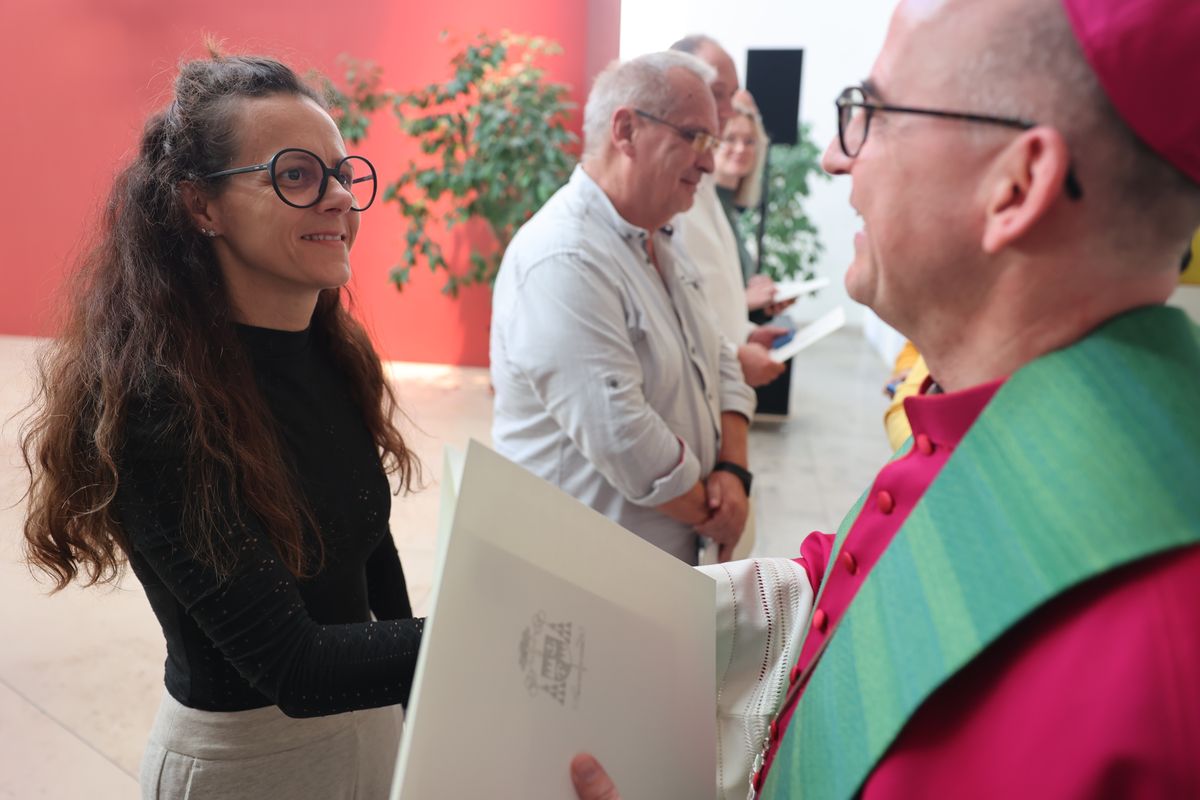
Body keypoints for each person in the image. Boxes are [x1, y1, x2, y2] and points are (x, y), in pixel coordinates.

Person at [572, 0, 1200, 796]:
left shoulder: (1157, 671)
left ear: (1017, 185)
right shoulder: (994, 417)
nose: (835, 158)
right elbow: (875, 578)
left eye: (868, 114)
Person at [21, 50, 426, 799]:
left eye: (343, 173)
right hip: (249, 768)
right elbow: (294, 669)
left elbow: (374, 562)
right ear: (200, 206)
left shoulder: (333, 351)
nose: (340, 198)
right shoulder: (159, 404)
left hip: (374, 735)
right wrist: (485, 636)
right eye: (297, 174)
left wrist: (420, 724)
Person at [490, 51, 757, 565]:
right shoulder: (564, 256)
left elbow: (720, 357)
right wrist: (720, 509)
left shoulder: (660, 237)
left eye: (712, 142)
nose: (708, 160)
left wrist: (734, 472)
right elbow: (625, 442)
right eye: (694, 137)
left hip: (649, 562)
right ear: (626, 130)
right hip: (583, 572)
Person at [670, 35, 791, 388]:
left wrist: (747, 334)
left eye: (732, 94)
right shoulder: (670, 193)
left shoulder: (706, 189)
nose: (726, 110)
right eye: (718, 92)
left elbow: (711, 294)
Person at [713, 91, 770, 287]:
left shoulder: (730, 208)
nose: (740, 149)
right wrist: (747, 300)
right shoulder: (704, 206)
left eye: (749, 141)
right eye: (730, 139)